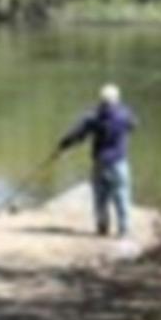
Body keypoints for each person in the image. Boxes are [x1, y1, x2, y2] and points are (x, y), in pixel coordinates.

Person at [57, 84, 137, 237]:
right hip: (119, 162)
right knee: (122, 195)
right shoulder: (125, 114)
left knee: (100, 197)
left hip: (100, 162)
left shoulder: (94, 116)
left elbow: (77, 134)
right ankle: (124, 230)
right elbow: (133, 125)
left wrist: (63, 145)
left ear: (101, 100)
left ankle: (102, 227)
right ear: (117, 99)